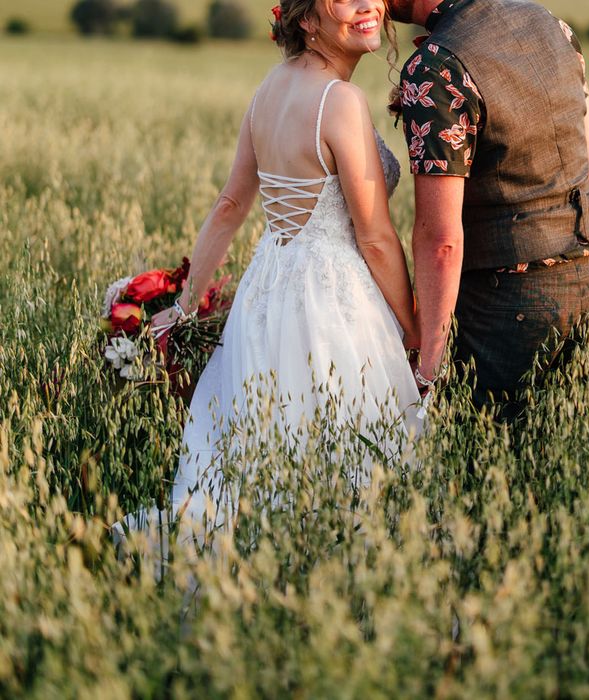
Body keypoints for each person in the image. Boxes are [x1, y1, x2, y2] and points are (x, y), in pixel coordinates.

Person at [111, 0, 422, 560]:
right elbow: (374, 236)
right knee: (351, 455)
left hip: (266, 294)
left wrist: (183, 307)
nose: (367, 5)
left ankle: (259, 568)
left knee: (268, 448)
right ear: (307, 20)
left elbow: (231, 204)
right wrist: (414, 329)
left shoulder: (268, 89)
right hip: (334, 301)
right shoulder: (341, 101)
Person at [388, 0, 589, 420]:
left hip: (506, 302)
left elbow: (441, 240)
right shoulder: (553, 26)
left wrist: (428, 368)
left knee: (491, 467)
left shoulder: (436, 66)